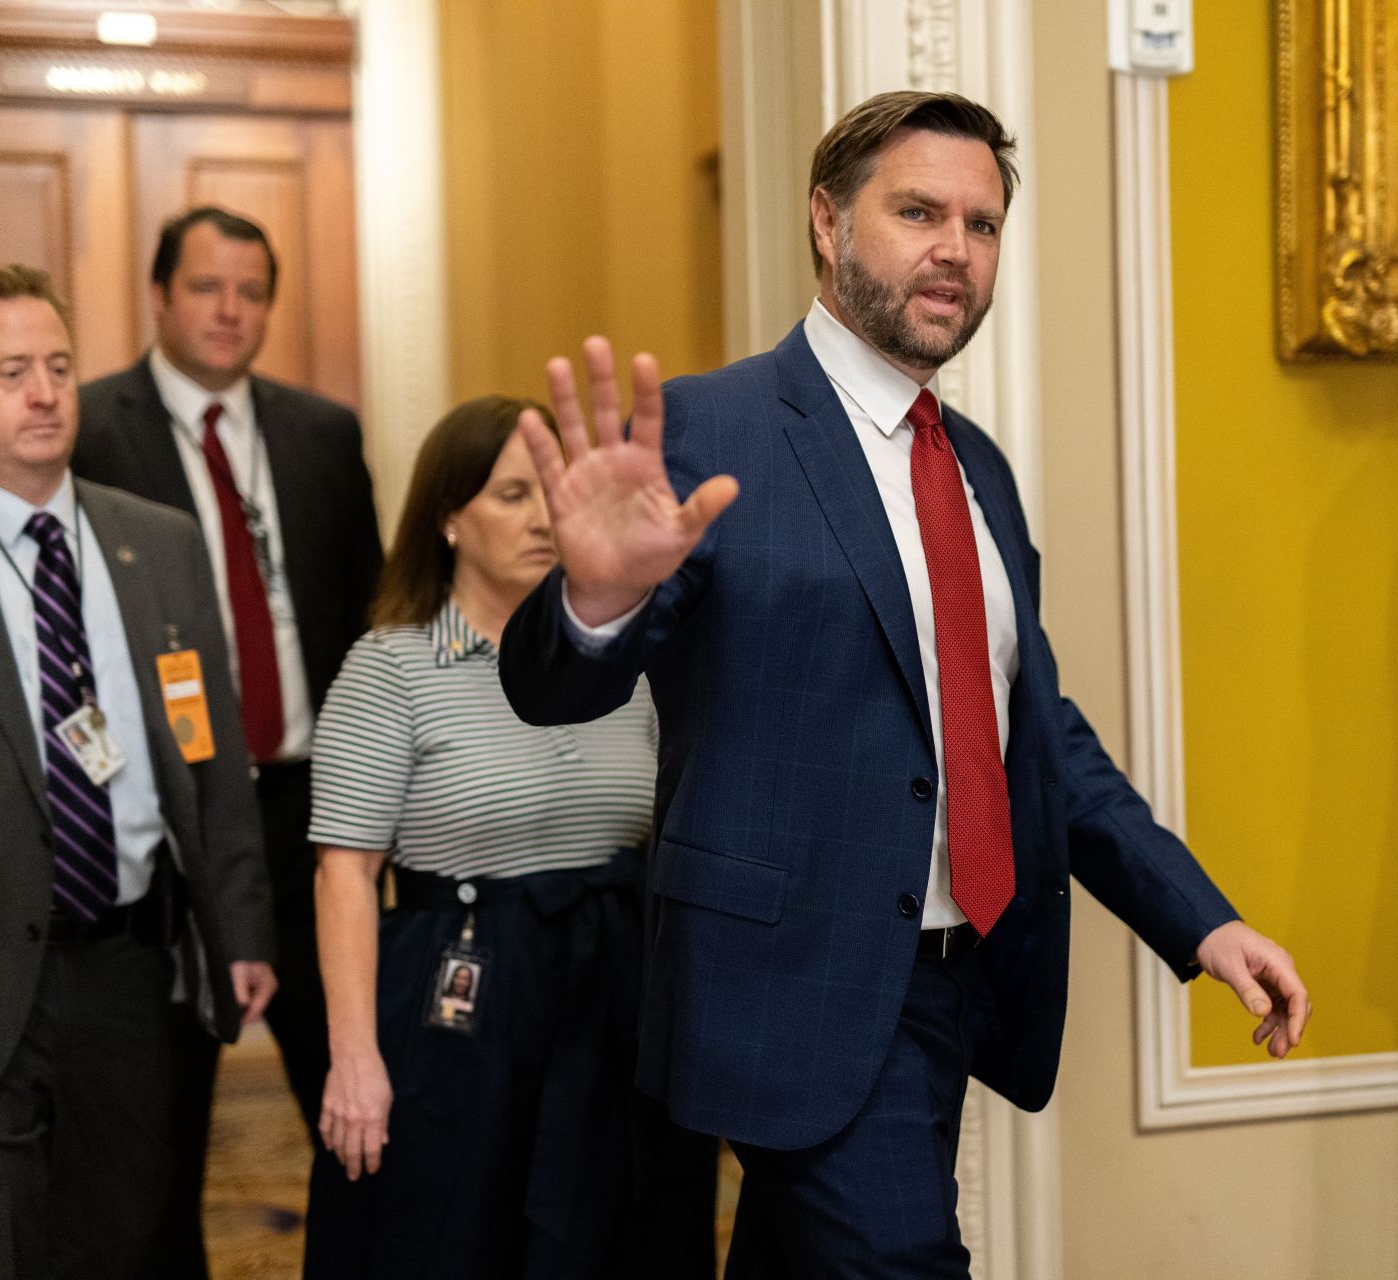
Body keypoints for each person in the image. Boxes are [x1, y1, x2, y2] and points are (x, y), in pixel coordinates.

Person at [498, 90, 1311, 1277]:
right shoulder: (711, 429)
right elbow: (551, 690)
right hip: (786, 984)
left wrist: (1201, 918)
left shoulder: (976, 468)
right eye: (919, 210)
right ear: (828, 223)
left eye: (981, 225)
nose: (956, 249)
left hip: (952, 983)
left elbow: (1034, 739)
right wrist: (598, 600)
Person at [304, 396, 717, 1279]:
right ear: (448, 518)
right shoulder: (391, 666)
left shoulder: (631, 658)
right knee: (455, 1239)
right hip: (460, 1001)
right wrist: (351, 1058)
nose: (541, 518)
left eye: (552, 494)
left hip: (615, 998)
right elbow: (344, 873)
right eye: (510, 496)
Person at [0, 263, 277, 1280]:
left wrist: (244, 924)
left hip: (132, 969)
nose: (44, 392)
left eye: (58, 366)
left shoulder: (157, 544)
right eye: (9, 371)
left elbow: (213, 756)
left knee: (125, 1238)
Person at [72, 205, 384, 1272]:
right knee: (155, 1123)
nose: (229, 311)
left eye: (251, 291)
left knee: (355, 1092)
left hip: (310, 806)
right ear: (159, 294)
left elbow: (365, 621)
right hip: (167, 813)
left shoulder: (322, 433)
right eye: (207, 287)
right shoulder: (84, 429)